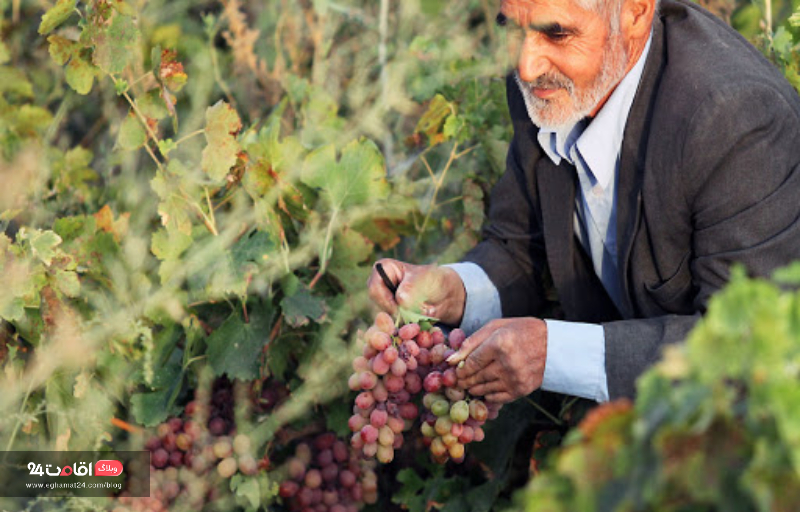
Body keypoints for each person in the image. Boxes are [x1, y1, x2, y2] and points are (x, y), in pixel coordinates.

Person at [368, 0, 800, 403]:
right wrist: (452, 290)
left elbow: (751, 346)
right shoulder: (543, 81)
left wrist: (549, 355)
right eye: (512, 29)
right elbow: (519, 247)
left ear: (635, 13)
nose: (527, 65)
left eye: (557, 34)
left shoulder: (734, 119)